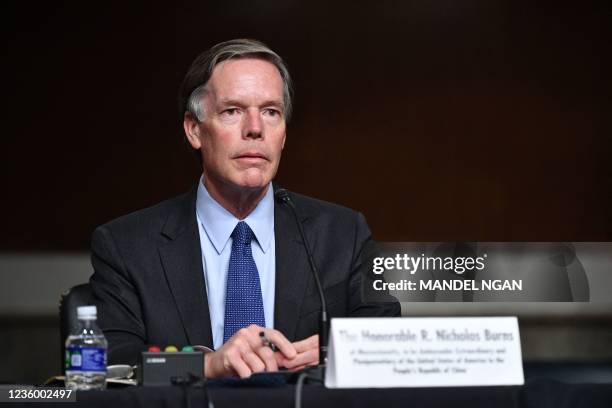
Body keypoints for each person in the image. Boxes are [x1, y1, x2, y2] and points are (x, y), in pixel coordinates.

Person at [90, 38, 400, 379]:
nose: (255, 129)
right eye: (233, 111)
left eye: (271, 112)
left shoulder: (343, 234)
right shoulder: (126, 245)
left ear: (282, 135)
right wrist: (207, 366)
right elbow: (112, 366)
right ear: (194, 130)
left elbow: (388, 343)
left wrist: (336, 353)